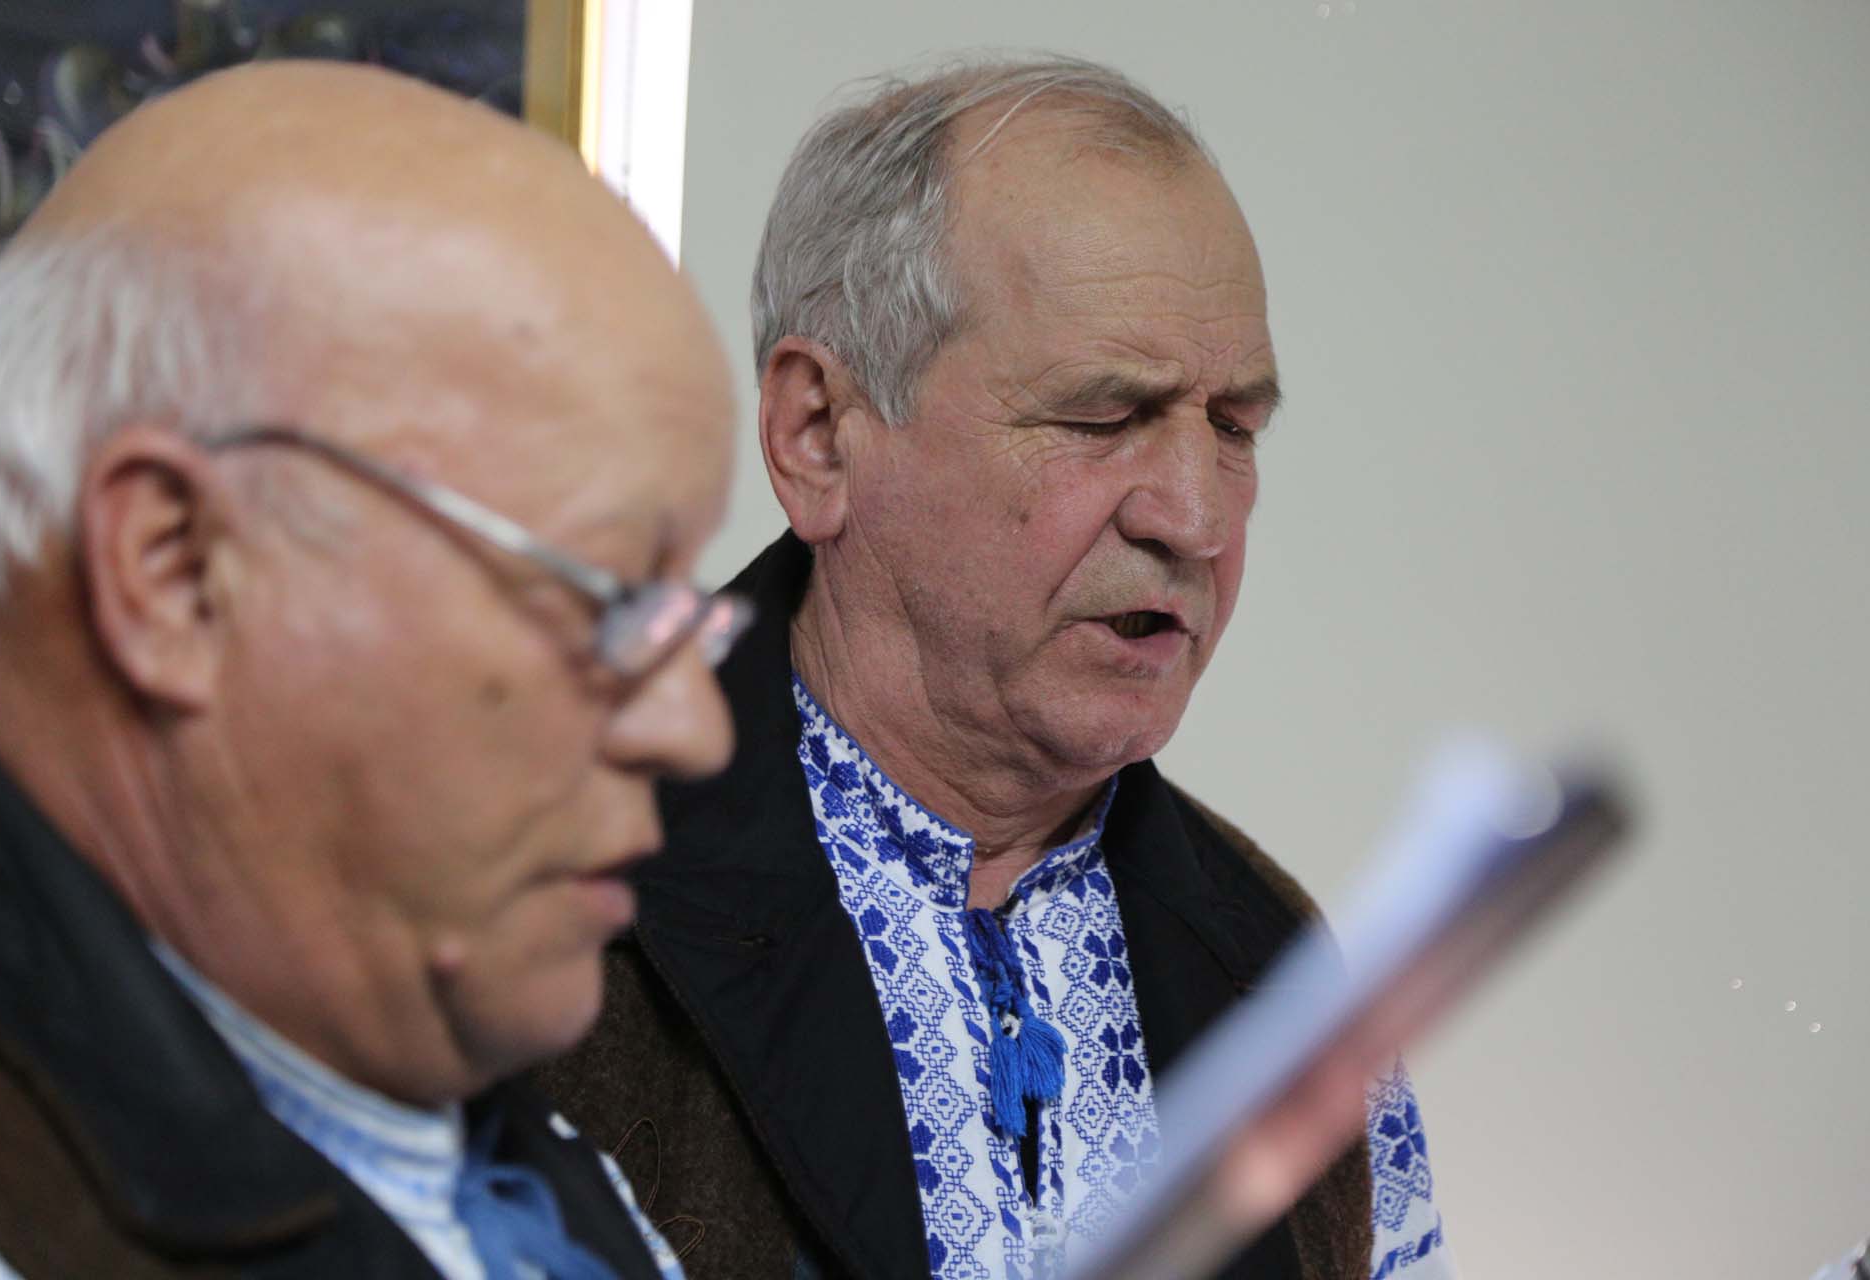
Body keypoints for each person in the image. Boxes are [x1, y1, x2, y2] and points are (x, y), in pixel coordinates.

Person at [540, 56, 1454, 1280]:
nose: (1196, 518)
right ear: (818, 435)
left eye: (1233, 426)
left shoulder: (1278, 967)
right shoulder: (527, 888)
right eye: (1101, 417)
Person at [0, 61, 748, 1279]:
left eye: (679, 612)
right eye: (607, 596)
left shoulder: (502, 1143)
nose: (695, 727)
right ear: (177, 570)